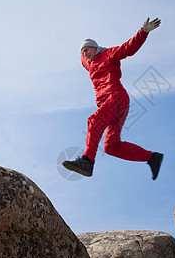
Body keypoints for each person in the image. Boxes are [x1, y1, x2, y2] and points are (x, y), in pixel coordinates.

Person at [62, 17, 163, 180]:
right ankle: (152, 157)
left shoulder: (108, 54)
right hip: (114, 105)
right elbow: (82, 56)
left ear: (95, 47)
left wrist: (143, 32)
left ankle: (87, 160)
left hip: (116, 97)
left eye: (87, 50)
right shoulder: (89, 64)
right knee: (111, 146)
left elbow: (128, 49)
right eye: (83, 53)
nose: (85, 54)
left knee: (94, 121)